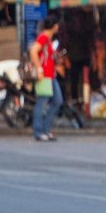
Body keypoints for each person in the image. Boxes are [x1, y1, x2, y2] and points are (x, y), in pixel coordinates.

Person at [29, 13, 62, 142]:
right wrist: (39, 69)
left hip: (51, 75)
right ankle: (39, 131)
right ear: (54, 26)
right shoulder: (43, 37)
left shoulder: (48, 39)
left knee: (57, 101)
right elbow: (33, 51)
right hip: (44, 75)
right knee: (41, 102)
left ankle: (46, 129)